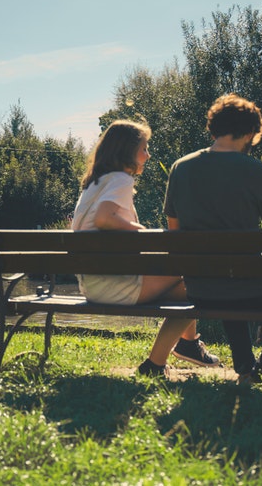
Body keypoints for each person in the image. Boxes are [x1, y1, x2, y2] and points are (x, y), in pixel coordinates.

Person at [163, 93, 262, 385]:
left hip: (199, 286)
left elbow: (174, 230)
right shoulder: (259, 171)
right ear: (249, 133)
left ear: (214, 127)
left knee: (228, 277)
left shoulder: (181, 168)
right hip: (248, 285)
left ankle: (246, 366)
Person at [72, 119, 219, 376]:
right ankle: (160, 361)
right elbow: (104, 218)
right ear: (126, 151)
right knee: (203, 284)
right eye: (144, 148)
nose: (148, 155)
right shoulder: (120, 179)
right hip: (115, 285)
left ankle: (188, 344)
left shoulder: (95, 183)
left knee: (188, 287)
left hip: (94, 284)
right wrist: (142, 233)